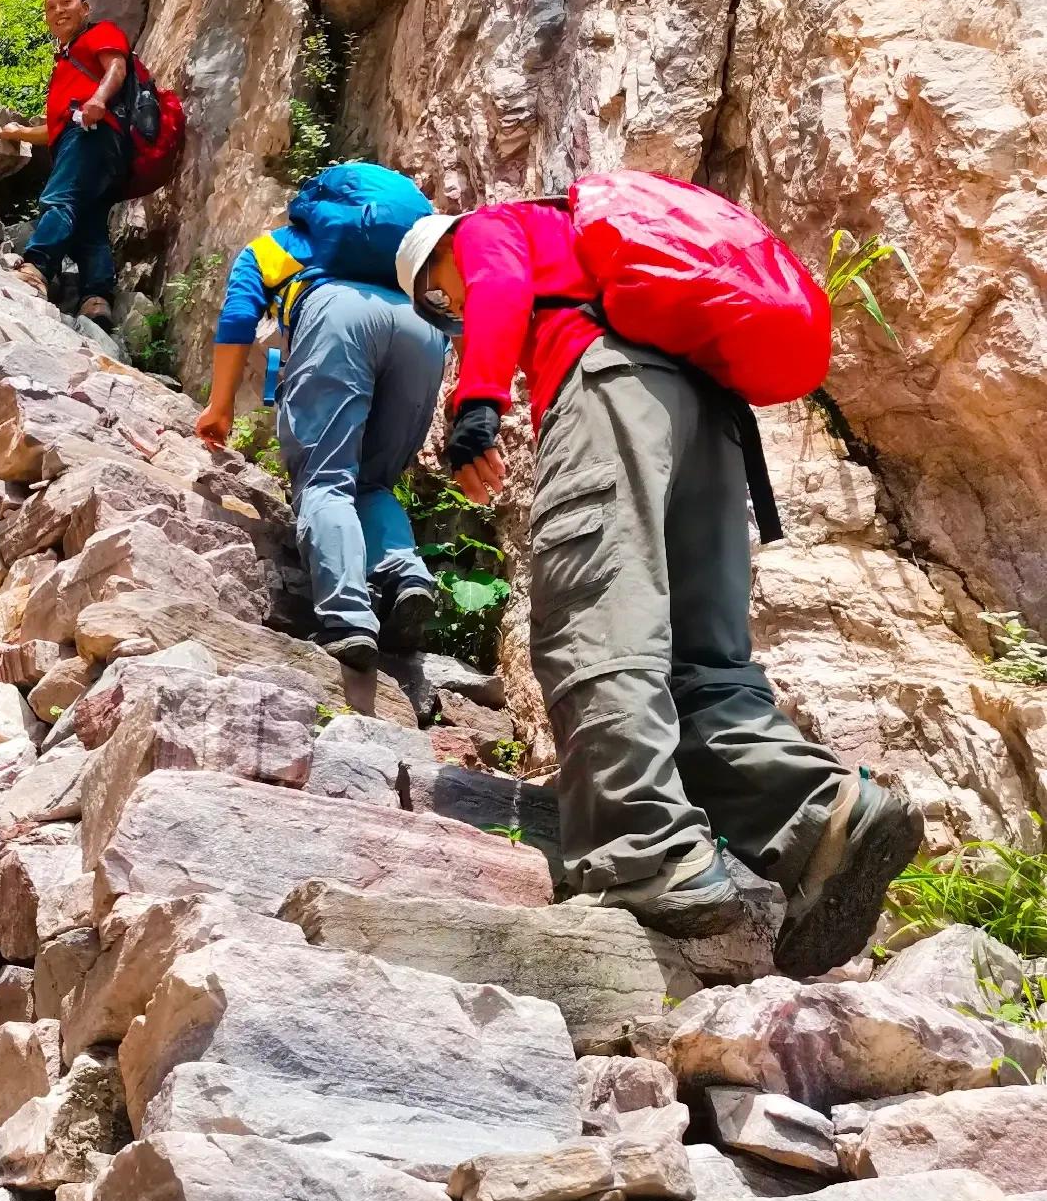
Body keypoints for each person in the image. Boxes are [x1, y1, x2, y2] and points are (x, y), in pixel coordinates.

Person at [394, 204, 922, 971]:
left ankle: (642, 856)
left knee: (595, 621)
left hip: (608, 389)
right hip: (710, 417)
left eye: (440, 297)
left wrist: (476, 400)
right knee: (700, 663)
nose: (453, 306)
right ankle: (823, 813)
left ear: (442, 253)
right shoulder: (586, 245)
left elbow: (500, 277)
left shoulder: (490, 228)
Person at [196, 166, 450, 674]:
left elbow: (239, 315)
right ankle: (405, 576)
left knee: (325, 480)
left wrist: (220, 406)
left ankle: (348, 619)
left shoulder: (281, 245)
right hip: (422, 331)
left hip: (337, 319)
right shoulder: (402, 257)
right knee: (374, 483)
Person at [0, 0, 131, 329]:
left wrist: (98, 100)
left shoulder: (100, 33)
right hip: (91, 140)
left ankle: (37, 268)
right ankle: (96, 298)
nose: (58, 10)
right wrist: (19, 133)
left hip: (92, 135)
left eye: (66, 2)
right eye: (50, 7)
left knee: (59, 198)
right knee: (89, 220)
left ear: (85, 8)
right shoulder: (65, 64)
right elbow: (55, 129)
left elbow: (116, 67)